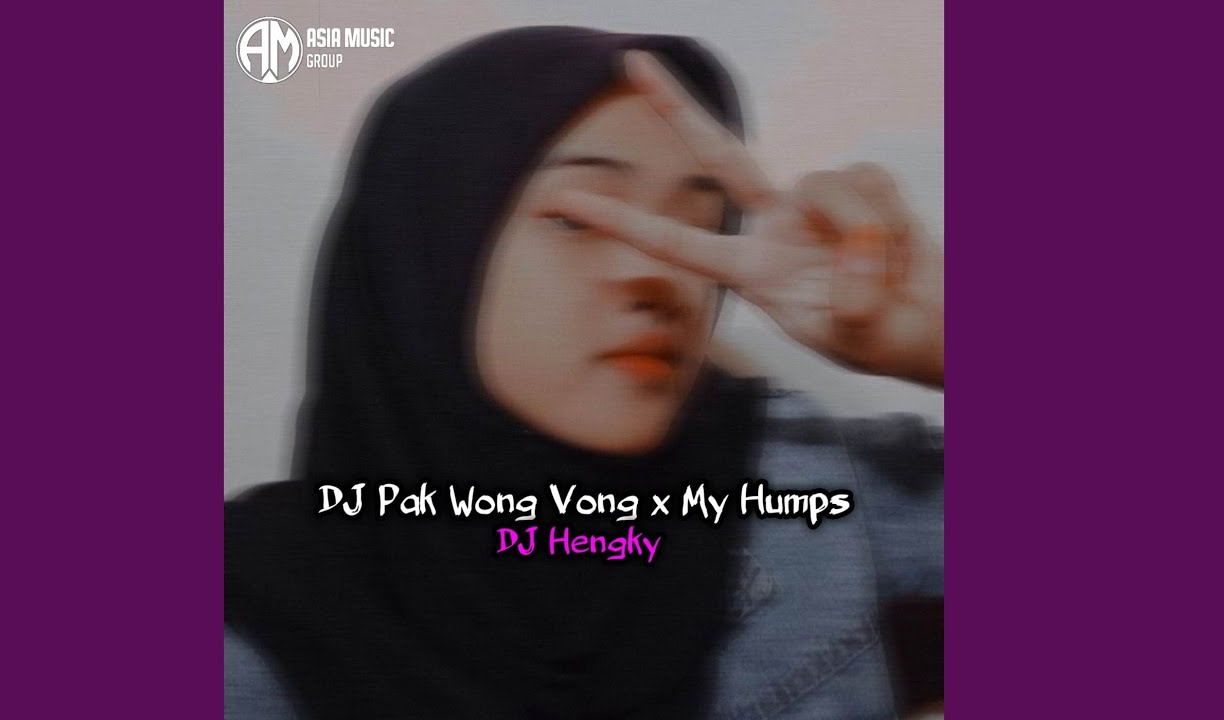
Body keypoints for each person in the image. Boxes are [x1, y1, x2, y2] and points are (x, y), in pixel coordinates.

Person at [225, 26, 943, 720]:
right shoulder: (250, 618)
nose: (658, 272)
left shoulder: (803, 491)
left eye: (699, 225)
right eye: (578, 219)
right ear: (421, 255)